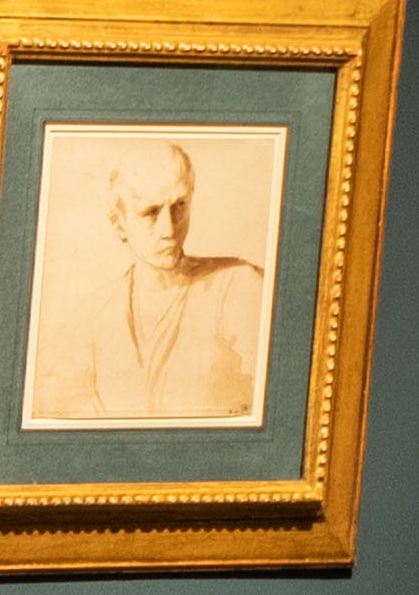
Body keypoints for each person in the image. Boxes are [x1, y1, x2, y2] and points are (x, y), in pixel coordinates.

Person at [24, 132, 268, 428]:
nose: (169, 230)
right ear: (119, 224)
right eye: (151, 212)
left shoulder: (239, 285)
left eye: (180, 206)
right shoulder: (93, 315)